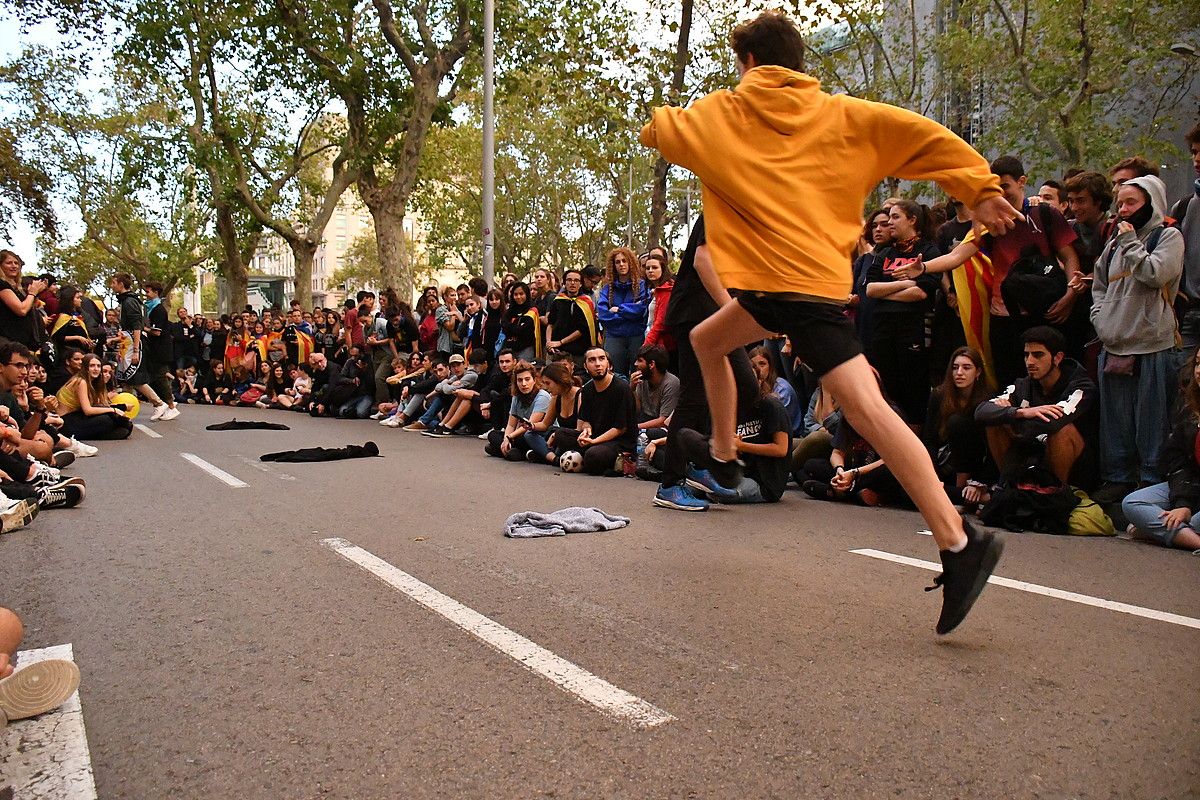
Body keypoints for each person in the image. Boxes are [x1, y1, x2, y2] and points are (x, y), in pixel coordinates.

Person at [641, 9, 1018, 633]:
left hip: (794, 293)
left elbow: (658, 129)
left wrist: (711, 136)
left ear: (748, 64)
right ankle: (726, 456)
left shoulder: (721, 115)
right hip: (787, 285)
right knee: (708, 338)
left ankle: (958, 541)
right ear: (800, 64)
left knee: (867, 409)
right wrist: (977, 187)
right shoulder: (845, 116)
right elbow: (926, 136)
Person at [901, 156, 1081, 389]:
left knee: (1050, 384)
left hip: (1045, 312)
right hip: (1003, 316)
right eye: (995, 189)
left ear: (1022, 182)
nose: (1001, 194)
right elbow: (956, 256)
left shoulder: (1044, 214)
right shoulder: (989, 222)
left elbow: (1069, 256)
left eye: (1005, 186)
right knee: (1009, 384)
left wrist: (1070, 294)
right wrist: (923, 267)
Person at [1089, 175, 1185, 503]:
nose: (1124, 210)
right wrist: (1100, 318)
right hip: (1114, 343)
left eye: (1131, 203)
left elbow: (1155, 273)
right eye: (1120, 204)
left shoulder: (1167, 236)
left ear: (1151, 203)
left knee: (1152, 422)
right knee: (1115, 422)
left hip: (1152, 346)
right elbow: (1099, 284)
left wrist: (1131, 243)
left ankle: (1150, 483)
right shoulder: (1113, 243)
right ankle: (1117, 481)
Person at [975, 326, 1095, 486]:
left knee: (1062, 431)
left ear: (1057, 358)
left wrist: (1009, 419)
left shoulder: (1081, 386)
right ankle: (1009, 487)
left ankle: (1058, 495)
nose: (1030, 361)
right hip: (1030, 454)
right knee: (994, 423)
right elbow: (981, 412)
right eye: (1026, 355)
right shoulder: (1022, 385)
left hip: (1078, 468)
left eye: (1038, 355)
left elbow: (1053, 422)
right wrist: (1022, 413)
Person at [863, 199, 942, 423]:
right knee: (886, 393)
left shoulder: (927, 250)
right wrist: (904, 284)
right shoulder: (885, 252)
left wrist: (886, 292)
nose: (889, 222)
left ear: (912, 220)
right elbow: (870, 289)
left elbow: (921, 294)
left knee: (914, 393)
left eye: (896, 217)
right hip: (882, 333)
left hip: (912, 332)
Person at [1121, 349, 1200, 552]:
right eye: (1198, 363)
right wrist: (1184, 503)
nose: (1199, 371)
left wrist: (1187, 507)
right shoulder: (1189, 405)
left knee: (1197, 523)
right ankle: (1192, 540)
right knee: (1133, 502)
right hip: (1192, 484)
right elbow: (1178, 460)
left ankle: (1157, 532)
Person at [923, 347, 995, 508]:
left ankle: (959, 494)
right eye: (955, 368)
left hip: (973, 467)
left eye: (966, 368)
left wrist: (978, 482)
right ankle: (964, 498)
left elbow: (991, 450)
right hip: (943, 462)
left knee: (957, 422)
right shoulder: (939, 395)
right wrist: (932, 475)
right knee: (904, 478)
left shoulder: (987, 400)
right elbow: (929, 439)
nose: (959, 373)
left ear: (978, 372)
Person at [562, 347, 636, 476]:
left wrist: (594, 442)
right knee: (560, 435)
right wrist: (586, 431)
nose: (597, 364)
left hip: (619, 442)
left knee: (593, 455)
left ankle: (592, 460)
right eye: (592, 360)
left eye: (601, 359)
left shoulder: (621, 388)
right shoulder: (587, 389)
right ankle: (582, 458)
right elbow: (585, 420)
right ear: (585, 366)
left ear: (608, 364)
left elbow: (620, 429)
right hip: (595, 436)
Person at [110, 273, 173, 421]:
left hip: (133, 343)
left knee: (135, 376)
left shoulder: (130, 302)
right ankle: (124, 409)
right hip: (127, 342)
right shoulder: (126, 301)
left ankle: (158, 403)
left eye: (114, 283)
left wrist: (136, 350)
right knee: (125, 377)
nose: (112, 286)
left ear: (121, 284)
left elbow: (137, 326)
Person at [597, 247, 650, 378]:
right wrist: (629, 313)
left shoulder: (642, 285)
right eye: (617, 262)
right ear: (613, 265)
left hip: (636, 336)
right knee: (615, 376)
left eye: (624, 261)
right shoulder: (607, 289)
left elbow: (641, 310)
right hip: (614, 337)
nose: (621, 264)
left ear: (630, 262)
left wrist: (619, 309)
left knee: (640, 376)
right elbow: (603, 315)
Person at [484, 361, 551, 461]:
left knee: (524, 438)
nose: (524, 384)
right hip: (518, 434)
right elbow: (511, 424)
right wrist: (506, 439)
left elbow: (530, 424)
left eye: (527, 379)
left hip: (537, 435)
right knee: (493, 435)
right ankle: (517, 452)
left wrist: (510, 437)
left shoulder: (542, 396)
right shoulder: (516, 396)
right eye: (520, 380)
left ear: (534, 380)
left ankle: (516, 452)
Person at [56, 354, 133, 440]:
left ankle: (104, 433)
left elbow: (99, 405)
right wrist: (114, 410)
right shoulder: (81, 381)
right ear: (85, 368)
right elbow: (88, 410)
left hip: (78, 415)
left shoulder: (94, 382)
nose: (96, 369)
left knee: (126, 424)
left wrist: (117, 410)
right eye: (92, 366)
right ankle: (100, 434)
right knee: (106, 420)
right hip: (65, 421)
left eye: (98, 366)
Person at [1172, 123, 1200, 348]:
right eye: (1194, 152)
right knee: (1186, 380)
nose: (1197, 159)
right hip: (1190, 313)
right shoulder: (1182, 207)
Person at [546, 269, 600, 367]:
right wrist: (549, 342)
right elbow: (550, 324)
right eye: (569, 280)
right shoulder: (558, 300)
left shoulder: (586, 303)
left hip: (578, 351)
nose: (572, 283)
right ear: (564, 283)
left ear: (580, 284)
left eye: (576, 280)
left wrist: (560, 342)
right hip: (558, 352)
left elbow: (582, 329)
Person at [632, 345, 679, 432]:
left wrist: (634, 427)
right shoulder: (642, 378)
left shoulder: (671, 383)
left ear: (652, 364)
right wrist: (632, 389)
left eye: (639, 361)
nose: (635, 364)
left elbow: (663, 421)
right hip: (645, 419)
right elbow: (637, 410)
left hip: (663, 427)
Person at [642, 254, 676, 355]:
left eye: (655, 267)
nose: (650, 271)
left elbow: (660, 323)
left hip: (664, 345)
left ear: (663, 269)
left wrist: (646, 345)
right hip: (655, 342)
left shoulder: (667, 290)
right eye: (647, 268)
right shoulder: (654, 291)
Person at [502, 282, 540, 362]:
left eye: (521, 294)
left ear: (526, 294)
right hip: (510, 348)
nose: (518, 297)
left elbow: (524, 330)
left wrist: (511, 327)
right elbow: (504, 327)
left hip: (526, 348)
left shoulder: (532, 310)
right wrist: (516, 328)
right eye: (515, 294)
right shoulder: (509, 310)